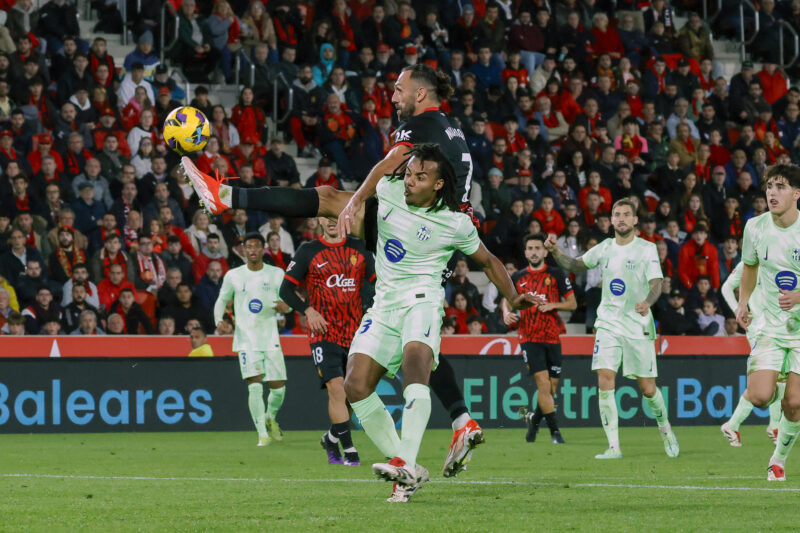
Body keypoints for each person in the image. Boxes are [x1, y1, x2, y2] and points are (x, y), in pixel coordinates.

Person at [184, 64, 488, 476]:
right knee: (417, 339)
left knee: (331, 200)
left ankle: (224, 196)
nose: (393, 97)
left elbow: (391, 161)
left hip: (422, 230)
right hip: (439, 233)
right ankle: (459, 420)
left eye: (398, 89)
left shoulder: (420, 124)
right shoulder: (450, 127)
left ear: (419, 94)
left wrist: (357, 200)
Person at [341, 144, 535, 502]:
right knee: (354, 387)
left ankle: (405, 463)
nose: (409, 181)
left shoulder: (455, 223)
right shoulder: (389, 190)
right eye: (409, 173)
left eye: (419, 176)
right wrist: (354, 201)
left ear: (440, 184)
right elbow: (378, 176)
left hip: (422, 302)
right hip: (383, 305)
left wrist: (511, 296)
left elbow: (489, 262)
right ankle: (409, 469)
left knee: (416, 366)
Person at [546, 198, 679, 459]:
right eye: (616, 214)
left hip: (637, 325)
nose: (620, 218)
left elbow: (656, 284)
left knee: (648, 389)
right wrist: (555, 252)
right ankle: (614, 447)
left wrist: (647, 303)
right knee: (604, 379)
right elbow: (574, 265)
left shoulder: (647, 249)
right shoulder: (605, 248)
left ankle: (666, 431)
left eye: (625, 214)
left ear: (635, 220)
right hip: (608, 323)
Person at [280, 217, 375, 466]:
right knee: (336, 387)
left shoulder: (360, 248)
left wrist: (370, 308)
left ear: (346, 217)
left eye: (337, 215)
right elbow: (286, 290)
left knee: (354, 393)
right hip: (324, 334)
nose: (332, 220)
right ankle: (350, 451)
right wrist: (308, 311)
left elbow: (376, 283)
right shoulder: (308, 251)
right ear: (318, 219)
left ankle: (332, 438)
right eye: (327, 216)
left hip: (356, 333)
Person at [734, 164, 800, 482]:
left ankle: (778, 460)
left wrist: (799, 296)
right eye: (769, 186)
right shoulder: (755, 227)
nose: (772, 192)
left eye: (781, 186)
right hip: (771, 325)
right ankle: (781, 380)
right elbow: (750, 266)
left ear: (796, 194)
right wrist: (743, 301)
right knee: (760, 395)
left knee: (795, 404)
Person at [213, 232, 291, 446]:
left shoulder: (276, 274)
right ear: (244, 250)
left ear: (263, 249)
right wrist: (218, 320)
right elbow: (222, 299)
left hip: (270, 337)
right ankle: (262, 435)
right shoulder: (234, 276)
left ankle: (270, 417)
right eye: (249, 246)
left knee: (278, 388)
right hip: (246, 339)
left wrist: (288, 307)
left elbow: (288, 300)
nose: (253, 250)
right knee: (255, 386)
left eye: (257, 246)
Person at [503, 233, 575, 444]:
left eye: (537, 248)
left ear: (544, 251)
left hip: (552, 337)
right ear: (525, 252)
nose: (534, 252)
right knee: (543, 385)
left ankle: (534, 423)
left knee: (551, 389)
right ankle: (555, 433)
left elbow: (572, 304)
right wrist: (506, 313)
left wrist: (554, 305)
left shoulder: (556, 275)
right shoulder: (517, 278)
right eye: (530, 248)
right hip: (529, 336)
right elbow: (507, 301)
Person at [720, 261, 784, 446]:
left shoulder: (781, 258)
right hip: (759, 330)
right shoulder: (750, 262)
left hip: (778, 330)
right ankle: (734, 425)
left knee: (780, 378)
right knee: (770, 378)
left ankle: (773, 426)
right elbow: (726, 288)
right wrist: (739, 310)